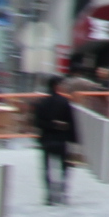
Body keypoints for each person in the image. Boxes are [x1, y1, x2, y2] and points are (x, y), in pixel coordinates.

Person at [30, 77, 77, 205]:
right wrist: (74, 141)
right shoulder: (64, 102)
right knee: (64, 167)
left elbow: (37, 123)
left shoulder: (41, 103)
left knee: (47, 168)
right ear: (57, 86)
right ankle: (62, 190)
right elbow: (72, 124)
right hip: (62, 139)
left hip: (47, 139)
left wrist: (49, 126)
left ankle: (49, 194)